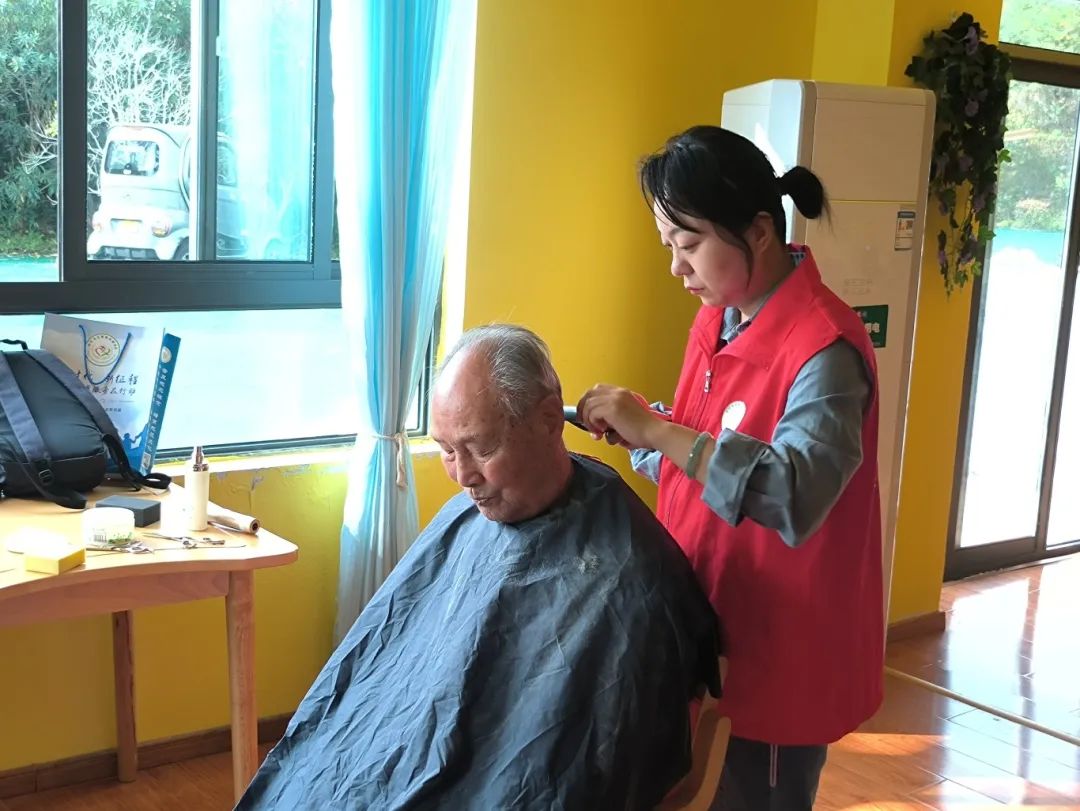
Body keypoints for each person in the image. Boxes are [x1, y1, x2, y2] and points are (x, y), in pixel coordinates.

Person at [236, 324, 721, 810]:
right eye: (447, 451)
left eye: (482, 449)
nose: (464, 476)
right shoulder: (466, 517)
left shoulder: (626, 579)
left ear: (549, 420)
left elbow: (578, 764)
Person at [576, 125, 884, 810]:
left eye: (688, 246)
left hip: (779, 648)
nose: (676, 268)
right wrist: (642, 435)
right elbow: (703, 453)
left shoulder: (825, 350)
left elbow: (794, 492)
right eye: (669, 247)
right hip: (710, 623)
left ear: (759, 232)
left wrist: (660, 430)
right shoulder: (719, 320)